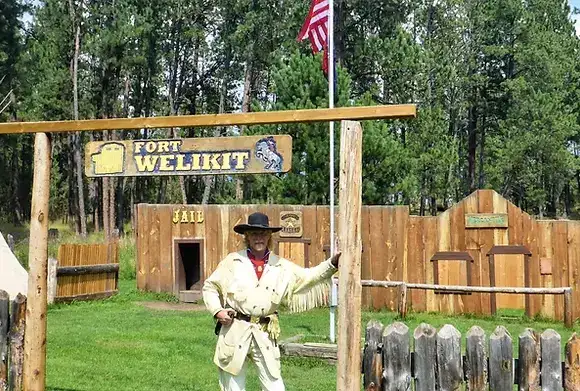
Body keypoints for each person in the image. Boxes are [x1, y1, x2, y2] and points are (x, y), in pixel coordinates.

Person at [202, 212, 340, 391]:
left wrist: (332, 263)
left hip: (265, 333)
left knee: (275, 386)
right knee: (233, 387)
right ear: (247, 237)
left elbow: (308, 277)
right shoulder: (233, 261)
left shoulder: (281, 266)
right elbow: (210, 287)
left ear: (269, 236)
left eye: (262, 234)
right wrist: (218, 311)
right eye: (254, 234)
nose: (258, 238)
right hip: (235, 331)